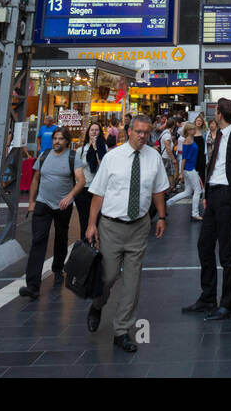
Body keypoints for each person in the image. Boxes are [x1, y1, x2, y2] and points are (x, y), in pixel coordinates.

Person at [85, 115, 169, 353]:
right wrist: (92, 225)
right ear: (128, 131)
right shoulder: (112, 158)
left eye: (147, 132)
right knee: (109, 276)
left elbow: (158, 190)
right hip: (111, 226)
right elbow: (98, 193)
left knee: (132, 281)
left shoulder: (153, 157)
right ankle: (97, 305)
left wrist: (161, 217)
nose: (143, 136)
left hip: (139, 226)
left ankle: (121, 331)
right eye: (139, 131)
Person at [182, 97, 231, 321]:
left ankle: (227, 303)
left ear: (219, 113)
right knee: (204, 245)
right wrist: (207, 193)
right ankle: (207, 297)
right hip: (214, 194)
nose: (213, 114)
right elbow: (214, 166)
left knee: (226, 251)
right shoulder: (218, 136)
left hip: (227, 195)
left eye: (215, 111)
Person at [20, 127, 82, 299]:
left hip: (62, 206)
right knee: (38, 240)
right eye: (55, 138)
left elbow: (81, 181)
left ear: (67, 141)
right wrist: (32, 202)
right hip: (43, 203)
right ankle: (32, 285)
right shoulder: (44, 155)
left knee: (61, 237)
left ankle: (57, 268)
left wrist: (69, 197)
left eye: (61, 139)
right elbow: (36, 179)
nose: (57, 141)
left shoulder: (72, 157)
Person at [75, 121, 107, 239]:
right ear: (88, 132)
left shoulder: (104, 147)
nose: (94, 132)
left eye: (97, 130)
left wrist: (96, 149)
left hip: (97, 190)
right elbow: (76, 169)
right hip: (83, 189)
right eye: (92, 130)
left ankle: (97, 246)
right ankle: (85, 249)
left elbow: (103, 166)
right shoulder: (81, 150)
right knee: (84, 220)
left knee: (97, 221)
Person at [168, 122, 204, 220]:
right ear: (188, 131)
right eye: (192, 129)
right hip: (189, 169)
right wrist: (181, 173)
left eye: (194, 128)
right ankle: (195, 214)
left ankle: (168, 202)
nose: (194, 130)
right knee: (198, 190)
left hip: (189, 168)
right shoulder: (188, 140)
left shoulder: (190, 139)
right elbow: (184, 158)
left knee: (188, 191)